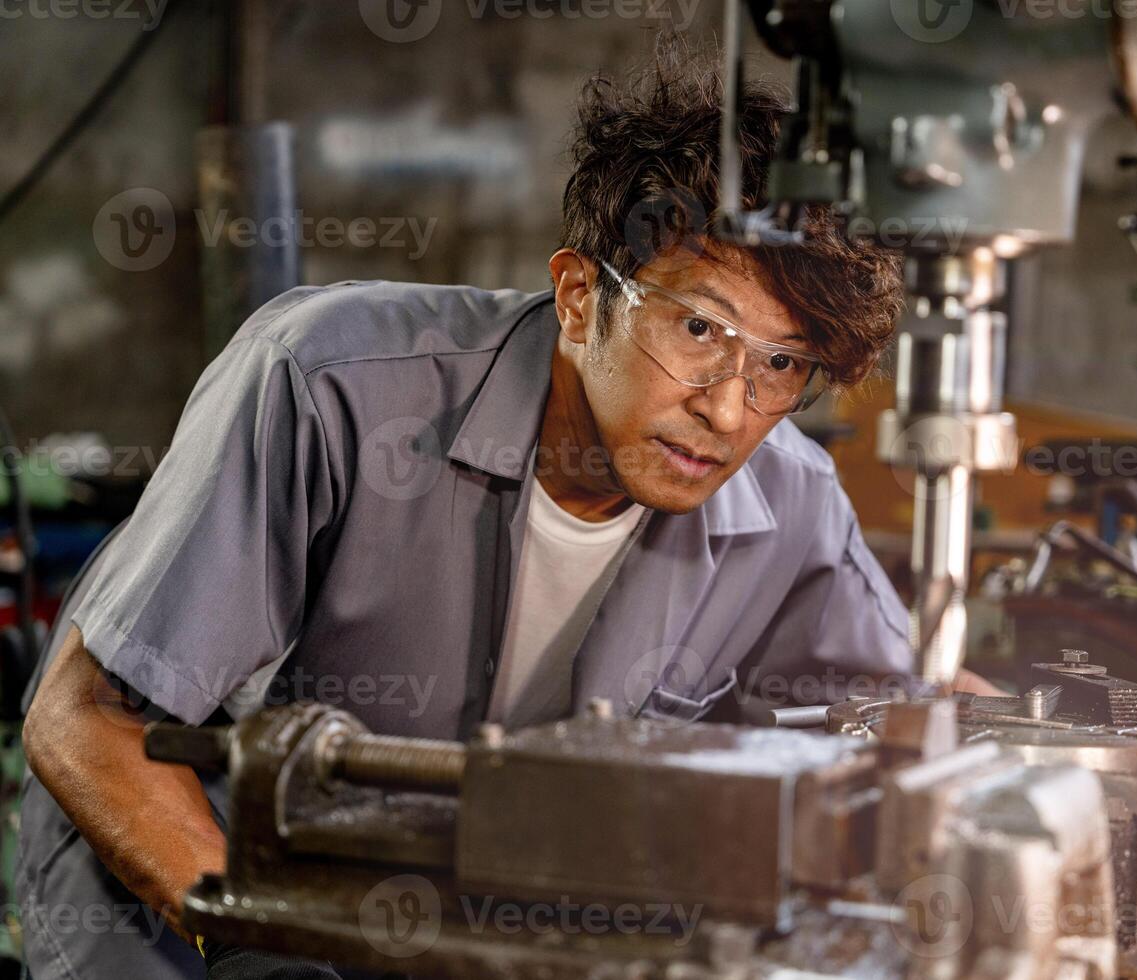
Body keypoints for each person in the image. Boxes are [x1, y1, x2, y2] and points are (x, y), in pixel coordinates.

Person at [18, 42, 996, 980]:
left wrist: (1041, 748)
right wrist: (247, 934)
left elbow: (896, 726)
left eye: (782, 364)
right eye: (699, 329)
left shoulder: (789, 500)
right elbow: (85, 718)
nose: (730, 407)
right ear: (578, 297)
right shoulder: (330, 386)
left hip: (470, 912)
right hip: (196, 874)